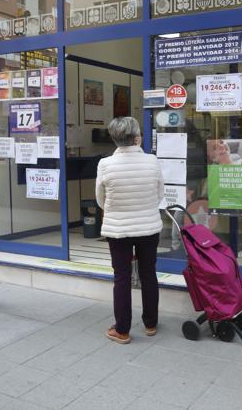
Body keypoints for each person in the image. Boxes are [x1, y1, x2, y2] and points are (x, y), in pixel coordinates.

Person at [95, 117, 164, 344]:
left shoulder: (105, 164)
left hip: (118, 229)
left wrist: (118, 210)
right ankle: (151, 323)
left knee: (122, 277)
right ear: (136, 137)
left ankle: (122, 330)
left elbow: (100, 200)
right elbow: (159, 195)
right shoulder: (152, 161)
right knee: (148, 273)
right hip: (148, 226)